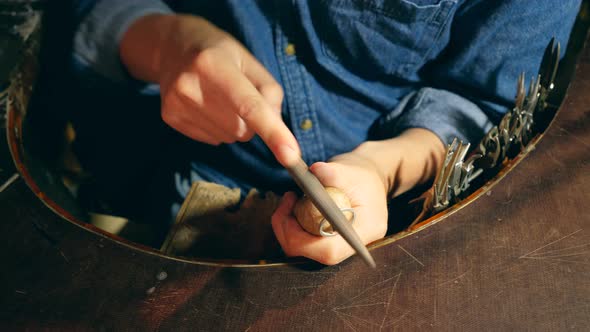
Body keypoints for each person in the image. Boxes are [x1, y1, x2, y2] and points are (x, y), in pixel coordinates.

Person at [71, 0, 581, 265]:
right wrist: (162, 46)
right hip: (194, 179)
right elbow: (74, 13)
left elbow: (486, 101)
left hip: (396, 216)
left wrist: (379, 169)